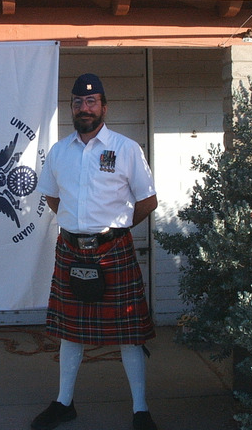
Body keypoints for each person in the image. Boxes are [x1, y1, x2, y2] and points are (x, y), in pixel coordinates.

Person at [32, 73, 158, 430]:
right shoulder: (59, 151)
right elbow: (52, 196)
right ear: (71, 107)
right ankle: (63, 403)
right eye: (77, 102)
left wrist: (113, 229)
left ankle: (140, 409)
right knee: (70, 332)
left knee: (129, 334)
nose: (84, 108)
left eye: (91, 102)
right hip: (71, 250)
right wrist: (78, 225)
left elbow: (148, 200)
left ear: (104, 106)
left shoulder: (126, 148)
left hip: (113, 251)